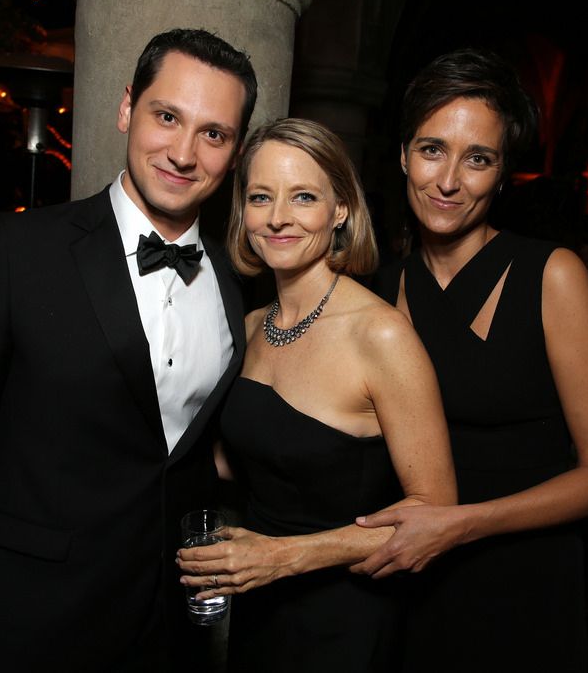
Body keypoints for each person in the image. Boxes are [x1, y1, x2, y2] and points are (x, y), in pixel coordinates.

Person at [0, 29, 257, 672]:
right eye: (166, 116)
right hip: (26, 620)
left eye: (213, 133)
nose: (183, 152)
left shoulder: (236, 286)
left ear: (233, 152)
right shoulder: (15, 252)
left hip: (164, 630)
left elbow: (181, 457)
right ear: (126, 109)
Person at [355, 48, 588, 671]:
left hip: (523, 583)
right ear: (403, 154)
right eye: (431, 150)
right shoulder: (379, 287)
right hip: (411, 585)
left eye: (477, 159)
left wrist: (460, 525)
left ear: (502, 174)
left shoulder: (551, 275)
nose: (449, 180)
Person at [176, 118, 456, 672]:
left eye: (303, 196)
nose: (278, 217)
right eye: (261, 197)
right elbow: (246, 460)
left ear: (341, 210)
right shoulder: (252, 325)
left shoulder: (381, 334)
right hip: (258, 605)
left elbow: (436, 512)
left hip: (344, 618)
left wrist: (281, 557)